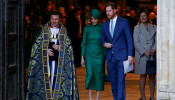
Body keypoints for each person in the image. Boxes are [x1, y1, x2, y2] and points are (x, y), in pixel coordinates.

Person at [26, 10, 79, 100]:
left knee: (56, 78)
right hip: (46, 62)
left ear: (60, 19)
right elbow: (35, 47)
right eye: (52, 19)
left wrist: (59, 47)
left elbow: (69, 48)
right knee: (48, 77)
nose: (54, 21)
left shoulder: (63, 31)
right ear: (50, 19)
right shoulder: (44, 30)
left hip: (59, 62)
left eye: (56, 19)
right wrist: (45, 51)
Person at [101, 2, 134, 100]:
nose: (107, 13)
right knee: (113, 82)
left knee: (121, 80)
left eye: (109, 11)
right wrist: (105, 44)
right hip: (110, 58)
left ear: (115, 10)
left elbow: (129, 39)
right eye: (106, 11)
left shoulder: (124, 22)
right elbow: (102, 39)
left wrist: (130, 55)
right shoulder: (104, 24)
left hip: (123, 57)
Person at [81, 9, 106, 100]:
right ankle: (90, 98)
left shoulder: (103, 27)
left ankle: (97, 98)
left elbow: (105, 41)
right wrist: (82, 58)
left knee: (99, 75)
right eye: (92, 19)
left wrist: (106, 56)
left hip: (100, 54)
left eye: (95, 19)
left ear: (99, 19)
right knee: (90, 74)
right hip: (89, 54)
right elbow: (84, 43)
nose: (93, 21)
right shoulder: (87, 28)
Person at [133, 9, 156, 100]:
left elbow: (157, 40)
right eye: (141, 16)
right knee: (142, 75)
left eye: (144, 16)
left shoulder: (154, 27)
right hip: (142, 55)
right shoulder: (137, 28)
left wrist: (154, 49)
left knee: (152, 76)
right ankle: (143, 97)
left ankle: (152, 97)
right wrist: (144, 52)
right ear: (139, 17)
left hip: (152, 54)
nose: (143, 17)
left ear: (147, 17)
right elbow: (136, 42)